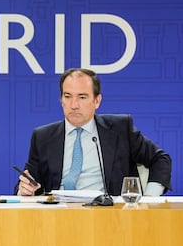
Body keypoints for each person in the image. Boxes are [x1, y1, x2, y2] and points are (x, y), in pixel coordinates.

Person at [15, 68, 172, 196]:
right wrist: (25, 190)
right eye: (67, 96)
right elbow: (28, 182)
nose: (74, 105)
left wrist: (149, 199)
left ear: (97, 101)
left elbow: (161, 159)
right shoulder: (43, 137)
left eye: (82, 97)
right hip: (57, 218)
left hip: (109, 217)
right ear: (61, 99)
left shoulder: (120, 129)